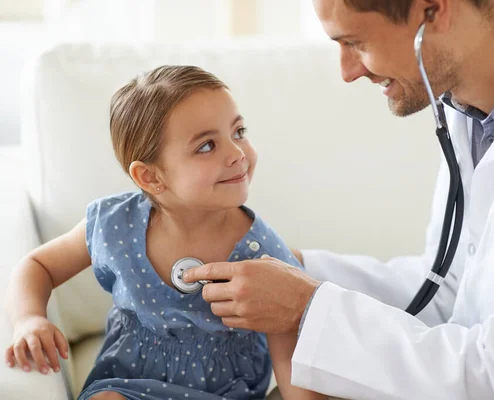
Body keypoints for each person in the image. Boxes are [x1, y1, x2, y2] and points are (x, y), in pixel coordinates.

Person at [181, 0, 494, 398]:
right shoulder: (467, 98)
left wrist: (305, 307)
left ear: (434, 11)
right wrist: (298, 268)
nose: (347, 71)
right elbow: (451, 288)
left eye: (355, 43)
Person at [4, 65, 326, 400]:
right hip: (126, 384)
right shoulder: (115, 224)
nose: (237, 153)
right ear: (150, 178)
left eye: (239, 131)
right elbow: (37, 266)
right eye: (206, 146)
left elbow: (290, 346)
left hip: (226, 393)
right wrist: (29, 319)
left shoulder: (261, 252)